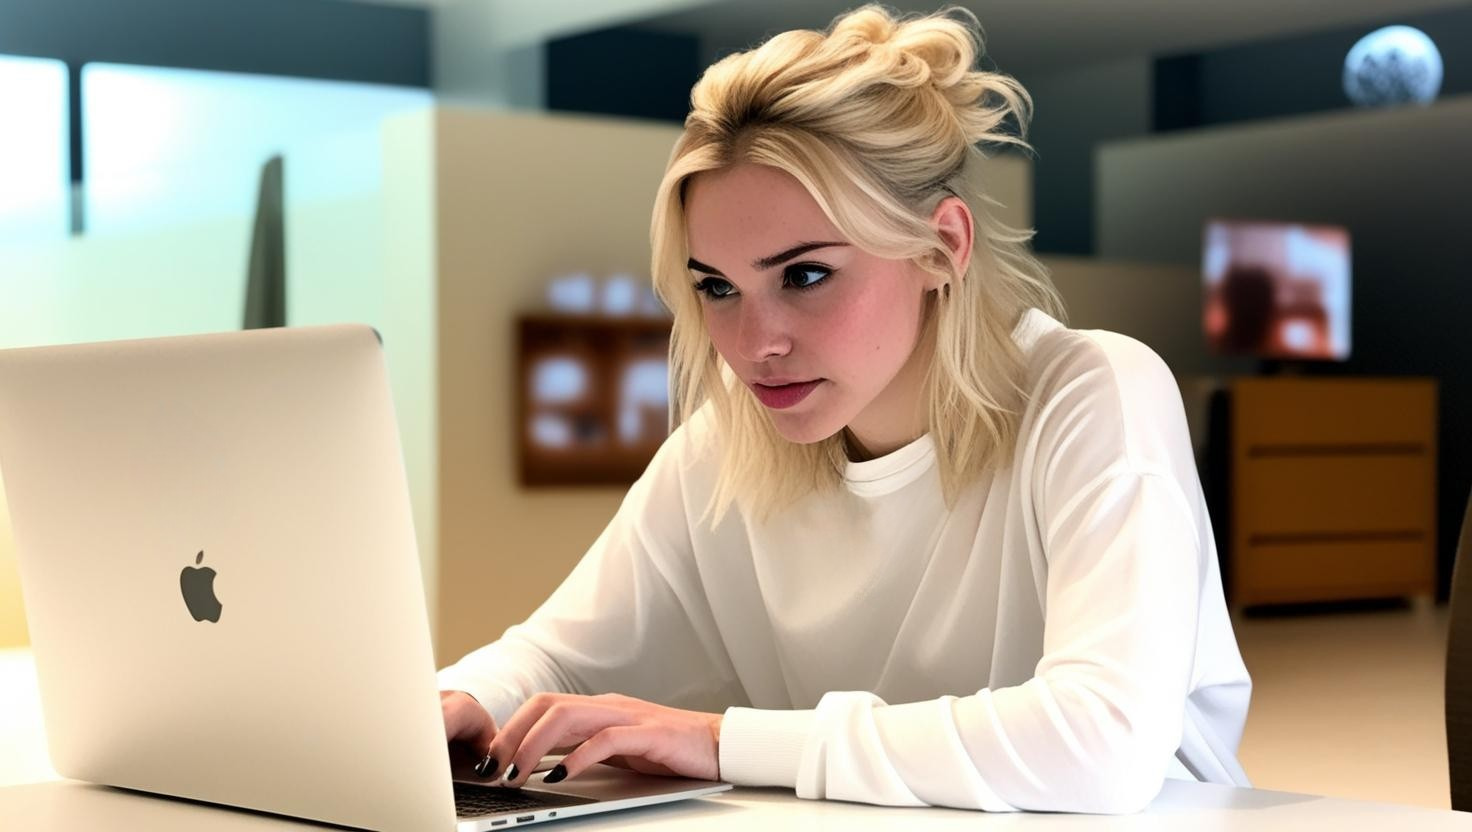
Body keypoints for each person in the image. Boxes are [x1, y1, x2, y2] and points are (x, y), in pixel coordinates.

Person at [437, 4, 1251, 815]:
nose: (756, 343)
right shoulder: (728, 438)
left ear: (942, 249)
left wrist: (724, 743)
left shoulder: (1093, 392)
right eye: (717, 287)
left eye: (805, 275)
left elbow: (1101, 744)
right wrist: (467, 699)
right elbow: (558, 657)